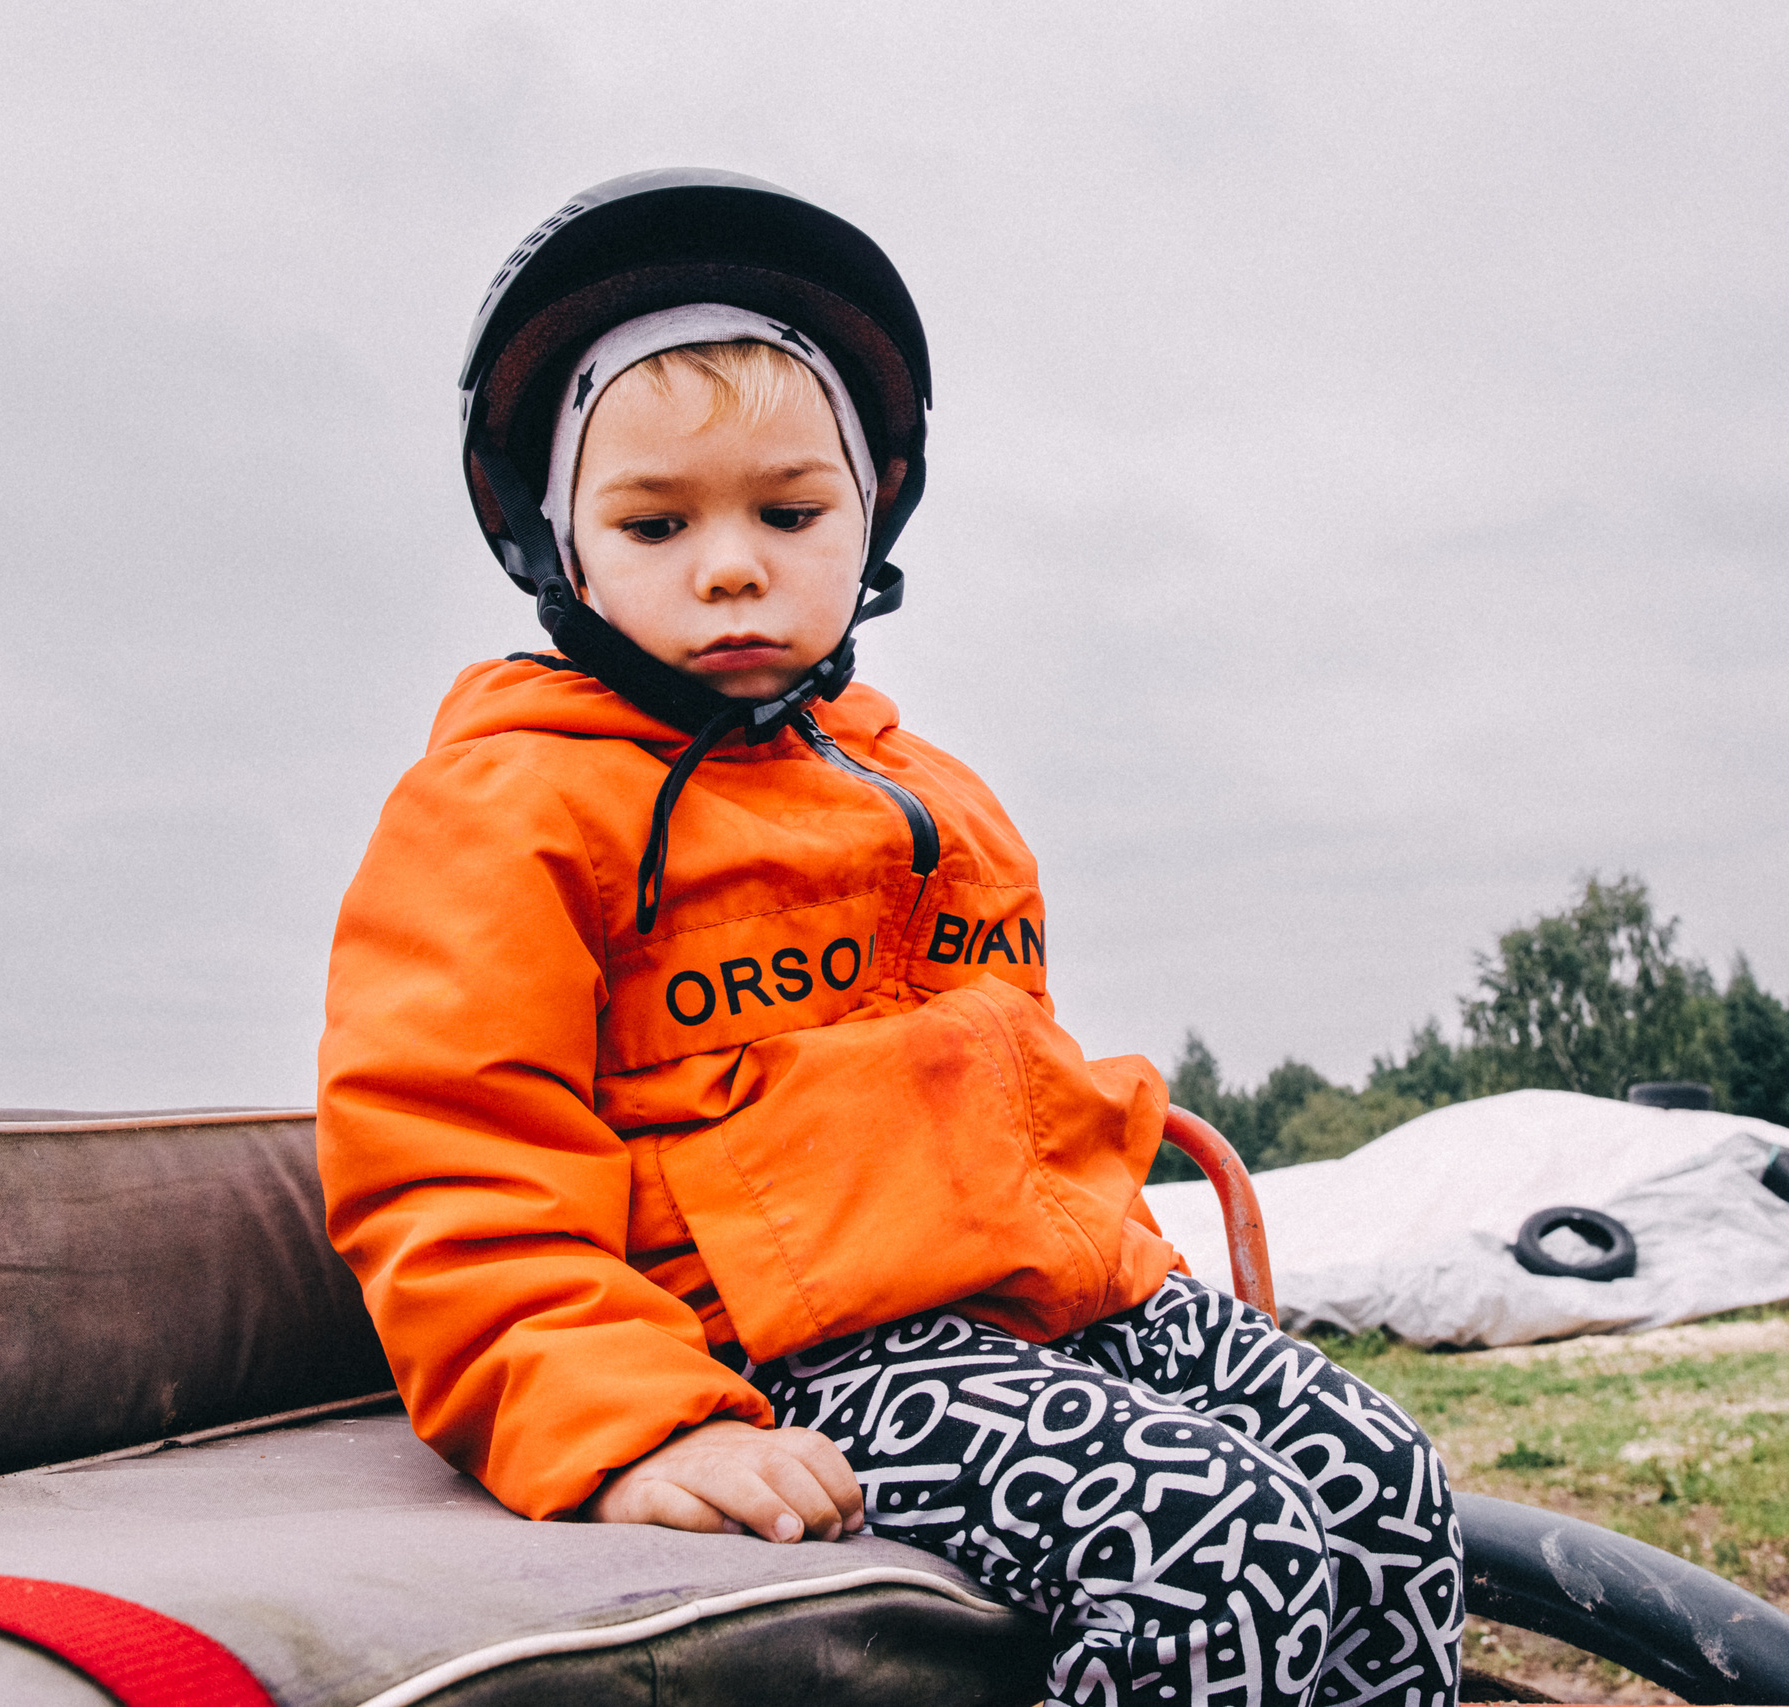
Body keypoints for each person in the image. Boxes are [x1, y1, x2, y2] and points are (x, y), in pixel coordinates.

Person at [318, 169, 1465, 1706]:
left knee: (1385, 1483)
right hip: (787, 1348)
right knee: (1210, 1533)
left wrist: (1109, 1265)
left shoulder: (937, 796)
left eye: (788, 513)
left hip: (1051, 1304)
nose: (730, 563)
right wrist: (640, 1422)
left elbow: (1015, 1099)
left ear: (870, 519)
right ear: (556, 546)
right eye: (656, 521)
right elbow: (451, 1153)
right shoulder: (507, 805)